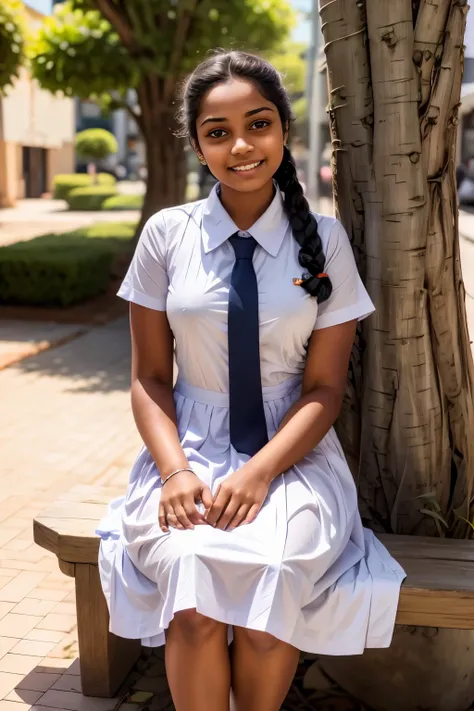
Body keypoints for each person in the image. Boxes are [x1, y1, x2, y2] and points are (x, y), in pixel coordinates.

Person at [97, 50, 405, 711]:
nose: (240, 145)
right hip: (188, 449)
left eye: (257, 123)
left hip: (292, 456)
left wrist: (261, 470)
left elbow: (324, 389)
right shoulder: (165, 236)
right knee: (190, 583)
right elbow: (150, 377)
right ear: (199, 145)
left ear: (283, 131)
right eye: (217, 131)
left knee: (273, 578)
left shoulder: (322, 242)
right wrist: (177, 472)